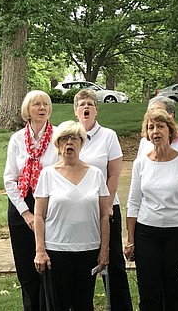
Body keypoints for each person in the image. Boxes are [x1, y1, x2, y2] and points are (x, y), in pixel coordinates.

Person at [125, 108, 178, 310]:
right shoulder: (140, 163)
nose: (155, 131)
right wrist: (131, 240)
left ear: (171, 131)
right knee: (148, 291)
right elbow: (133, 203)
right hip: (146, 233)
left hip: (177, 234)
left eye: (160, 126)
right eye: (151, 127)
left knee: (174, 290)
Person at [34, 120, 110, 310]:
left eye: (74, 138)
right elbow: (39, 215)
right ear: (58, 144)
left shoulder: (96, 174)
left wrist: (104, 250)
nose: (69, 143)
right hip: (57, 251)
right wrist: (40, 250)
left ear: (81, 143)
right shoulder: (48, 174)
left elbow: (104, 216)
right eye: (64, 139)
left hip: (88, 250)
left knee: (84, 304)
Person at [74, 89, 133, 311]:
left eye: (90, 104)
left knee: (113, 262)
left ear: (96, 110)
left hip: (107, 208)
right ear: (75, 111)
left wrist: (107, 205)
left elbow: (114, 174)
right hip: (79, 212)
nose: (86, 108)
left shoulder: (108, 136)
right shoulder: (68, 135)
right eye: (81, 105)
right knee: (82, 263)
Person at [4, 90, 58, 311]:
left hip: (50, 203)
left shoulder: (58, 137)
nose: (42, 108)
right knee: (26, 269)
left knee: (49, 266)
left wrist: (40, 214)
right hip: (22, 203)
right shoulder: (17, 139)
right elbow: (9, 179)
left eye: (45, 104)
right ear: (28, 110)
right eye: (37, 104)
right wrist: (26, 214)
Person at [137, 96, 178, 161]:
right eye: (151, 111)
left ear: (171, 116)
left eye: (159, 111)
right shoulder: (144, 142)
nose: (154, 114)